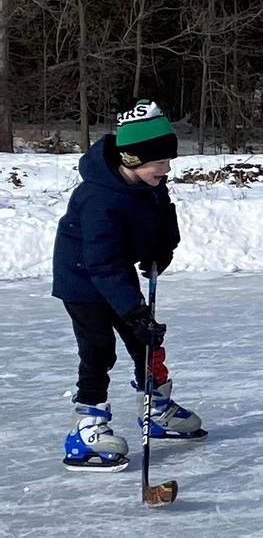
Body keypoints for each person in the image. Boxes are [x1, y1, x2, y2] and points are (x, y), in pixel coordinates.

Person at [53, 100, 203, 472]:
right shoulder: (99, 198)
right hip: (84, 280)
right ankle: (87, 427)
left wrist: (161, 250)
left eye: (169, 161)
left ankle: (155, 409)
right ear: (133, 159)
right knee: (99, 349)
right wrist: (134, 310)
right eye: (160, 162)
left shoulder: (149, 184)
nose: (167, 170)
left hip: (114, 271)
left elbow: (161, 218)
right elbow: (101, 263)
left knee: (146, 341)